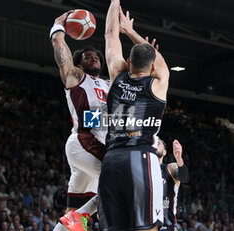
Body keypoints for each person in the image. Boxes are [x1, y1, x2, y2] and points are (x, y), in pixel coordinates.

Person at [97, 0, 170, 230]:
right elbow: (162, 64)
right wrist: (130, 31)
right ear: (151, 68)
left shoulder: (117, 75)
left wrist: (114, 2)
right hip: (140, 158)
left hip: (111, 161)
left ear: (128, 63)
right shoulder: (157, 84)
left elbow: (109, 34)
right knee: (148, 227)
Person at [49, 10, 109, 231]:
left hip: (96, 145)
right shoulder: (76, 77)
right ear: (78, 63)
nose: (94, 58)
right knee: (117, 179)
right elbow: (59, 48)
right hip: (84, 141)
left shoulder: (108, 84)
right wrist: (58, 27)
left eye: (97, 57)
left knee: (75, 214)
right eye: (88, 56)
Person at [157, 139, 189, 231]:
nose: (155, 144)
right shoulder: (143, 170)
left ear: (164, 152)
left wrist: (179, 159)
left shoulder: (169, 168)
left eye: (158, 143)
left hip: (166, 226)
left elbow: (184, 178)